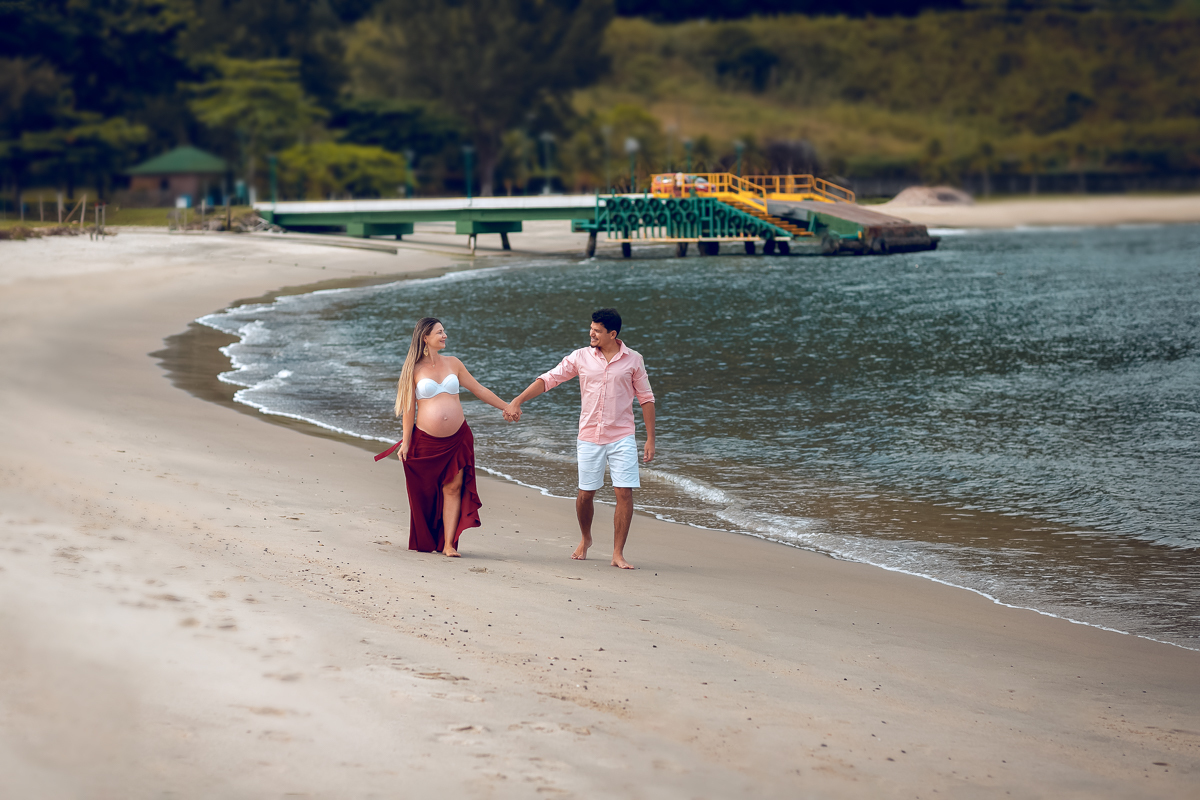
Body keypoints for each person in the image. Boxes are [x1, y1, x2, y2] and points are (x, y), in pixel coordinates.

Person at [504, 308, 655, 569]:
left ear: (612, 333)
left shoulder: (634, 360)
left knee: (625, 493)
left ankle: (618, 553)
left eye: (597, 330)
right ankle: (586, 538)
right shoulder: (581, 357)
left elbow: (646, 398)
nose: (591, 333)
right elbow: (549, 379)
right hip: (589, 436)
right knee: (586, 494)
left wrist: (650, 438)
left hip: (622, 436)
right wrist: (518, 400)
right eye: (591, 328)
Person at [375, 317, 510, 557]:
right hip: (426, 440)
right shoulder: (413, 369)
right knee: (426, 492)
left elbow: (479, 389)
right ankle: (429, 537)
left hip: (458, 438)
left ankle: (449, 544)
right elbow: (408, 409)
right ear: (425, 338)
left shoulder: (454, 363)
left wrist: (505, 407)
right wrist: (406, 442)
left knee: (453, 487)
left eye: (444, 331)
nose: (444, 335)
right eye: (439, 332)